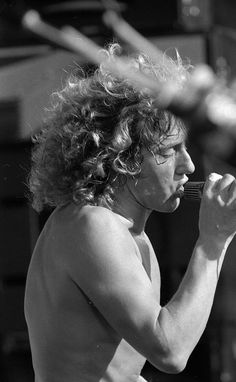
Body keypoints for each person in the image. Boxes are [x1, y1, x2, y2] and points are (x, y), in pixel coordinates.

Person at [24, 43, 236, 382]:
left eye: (187, 147)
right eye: (169, 151)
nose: (189, 165)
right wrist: (213, 242)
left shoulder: (125, 234)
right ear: (123, 157)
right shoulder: (92, 224)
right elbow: (169, 350)